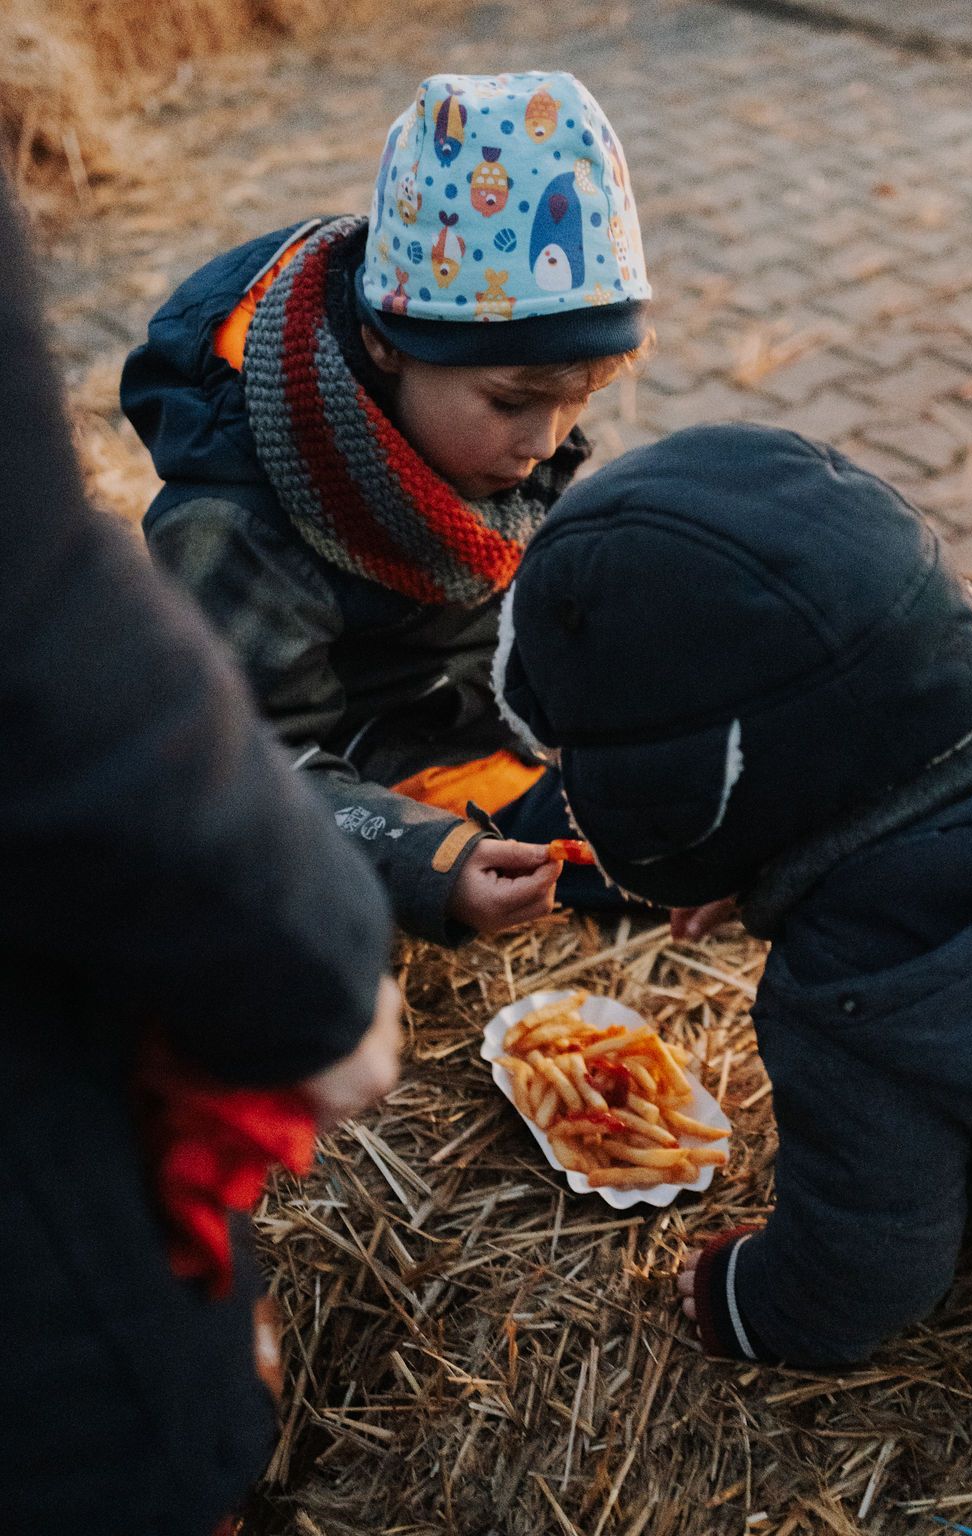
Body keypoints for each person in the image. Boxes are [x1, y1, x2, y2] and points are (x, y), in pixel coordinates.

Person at [0, 166, 401, 1536]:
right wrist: (328, 954)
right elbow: (37, 636)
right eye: (516, 400)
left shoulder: (489, 493)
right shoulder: (238, 534)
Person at [492, 422, 972, 1368]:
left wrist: (754, 1304)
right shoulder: (960, 689)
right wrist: (768, 866)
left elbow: (874, 1259)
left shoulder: (860, 1000)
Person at [121, 70, 652, 946]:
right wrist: (427, 862)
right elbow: (246, 764)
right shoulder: (238, 525)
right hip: (375, 766)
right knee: (633, 851)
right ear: (386, 343)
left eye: (579, 398)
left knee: (708, 796)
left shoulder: (489, 428)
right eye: (513, 401)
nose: (548, 441)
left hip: (479, 699)